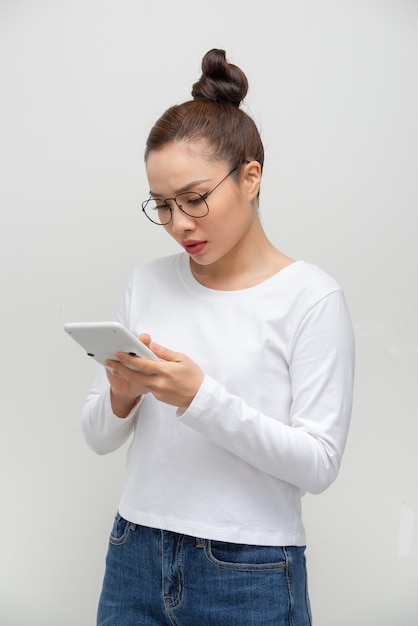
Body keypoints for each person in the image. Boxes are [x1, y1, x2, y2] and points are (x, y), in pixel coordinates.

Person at [82, 48, 355, 626]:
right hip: (134, 548)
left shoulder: (310, 297)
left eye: (195, 198)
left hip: (249, 568)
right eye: (161, 204)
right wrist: (122, 394)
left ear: (250, 176)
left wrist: (199, 398)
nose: (179, 222)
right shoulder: (147, 282)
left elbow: (319, 464)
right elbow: (99, 437)